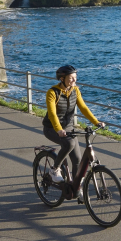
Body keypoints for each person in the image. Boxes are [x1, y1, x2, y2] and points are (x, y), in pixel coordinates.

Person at [42, 65, 104, 196]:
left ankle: (77, 187)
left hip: (69, 128)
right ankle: (54, 170)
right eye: (71, 78)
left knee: (77, 160)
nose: (74, 81)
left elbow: (84, 108)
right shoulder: (52, 92)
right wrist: (58, 129)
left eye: (75, 78)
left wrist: (96, 122)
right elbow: (52, 114)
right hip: (51, 128)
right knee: (68, 144)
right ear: (62, 78)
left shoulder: (75, 90)